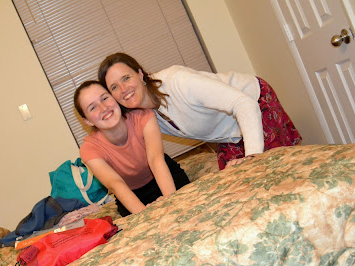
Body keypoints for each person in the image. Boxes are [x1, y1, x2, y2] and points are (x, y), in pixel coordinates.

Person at [98, 52, 302, 170]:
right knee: (236, 186)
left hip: (254, 102)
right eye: (114, 87)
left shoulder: (178, 81)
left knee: (275, 171)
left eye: (126, 78)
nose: (123, 89)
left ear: (140, 74)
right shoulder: (143, 116)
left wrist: (253, 158)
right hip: (229, 133)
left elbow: (243, 104)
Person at [74, 80, 190, 217]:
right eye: (93, 108)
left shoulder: (143, 116)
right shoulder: (89, 149)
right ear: (87, 120)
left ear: (114, 98)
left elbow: (156, 160)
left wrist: (171, 201)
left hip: (164, 175)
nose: (103, 108)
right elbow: (115, 184)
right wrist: (145, 216)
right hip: (132, 193)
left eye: (105, 98)